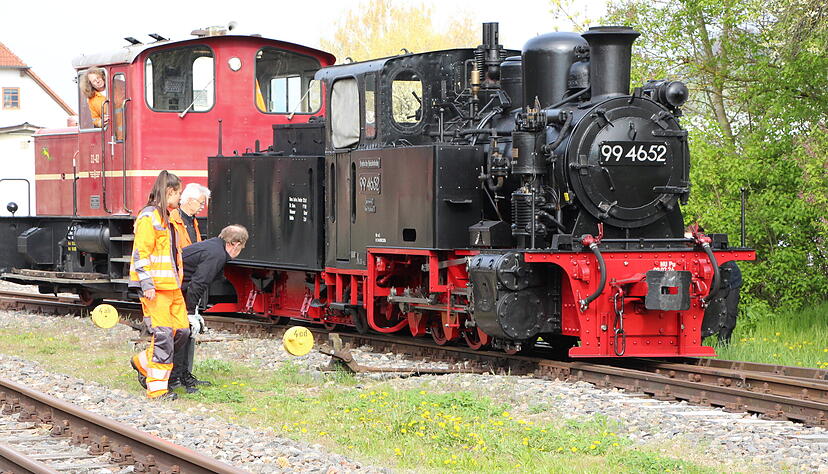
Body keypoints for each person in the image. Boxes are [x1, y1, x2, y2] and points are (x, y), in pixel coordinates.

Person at [128, 170, 189, 401]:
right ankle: (157, 390)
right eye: (179, 193)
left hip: (172, 287)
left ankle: (144, 362)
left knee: (181, 331)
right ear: (169, 192)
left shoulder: (169, 217)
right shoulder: (149, 217)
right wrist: (147, 284)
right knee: (163, 336)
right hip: (156, 288)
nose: (180, 197)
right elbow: (141, 253)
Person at [169, 224, 249, 392]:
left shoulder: (214, 247)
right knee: (182, 333)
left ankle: (183, 376)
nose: (240, 251)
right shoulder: (216, 254)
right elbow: (197, 284)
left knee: (185, 334)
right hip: (173, 290)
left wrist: (194, 310)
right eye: (242, 247)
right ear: (235, 244)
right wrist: (190, 312)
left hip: (178, 289)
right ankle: (175, 379)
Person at [170, 183, 210, 248]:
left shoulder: (193, 220)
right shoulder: (172, 220)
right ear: (190, 201)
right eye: (201, 203)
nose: (202, 207)